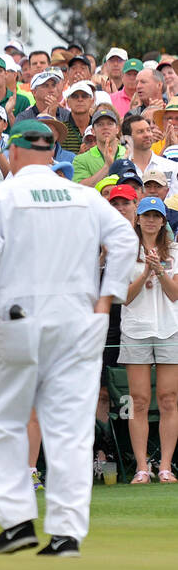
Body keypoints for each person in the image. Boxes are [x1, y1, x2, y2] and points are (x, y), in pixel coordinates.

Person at [0, 119, 137, 556]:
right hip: (78, 322)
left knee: (1, 419)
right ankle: (66, 534)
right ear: (52, 153)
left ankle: (18, 522)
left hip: (17, 321)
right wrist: (105, 299)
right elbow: (126, 242)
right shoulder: (84, 196)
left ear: (14, 152)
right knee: (71, 428)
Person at [119, 196, 178, 484]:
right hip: (135, 329)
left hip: (169, 328)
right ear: (138, 219)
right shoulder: (126, 250)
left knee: (168, 399)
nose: (151, 220)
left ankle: (165, 466)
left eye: (156, 215)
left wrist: (159, 270)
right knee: (139, 400)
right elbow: (124, 297)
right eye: (146, 215)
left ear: (163, 220)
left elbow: (174, 293)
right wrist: (145, 272)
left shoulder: (175, 249)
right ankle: (142, 467)